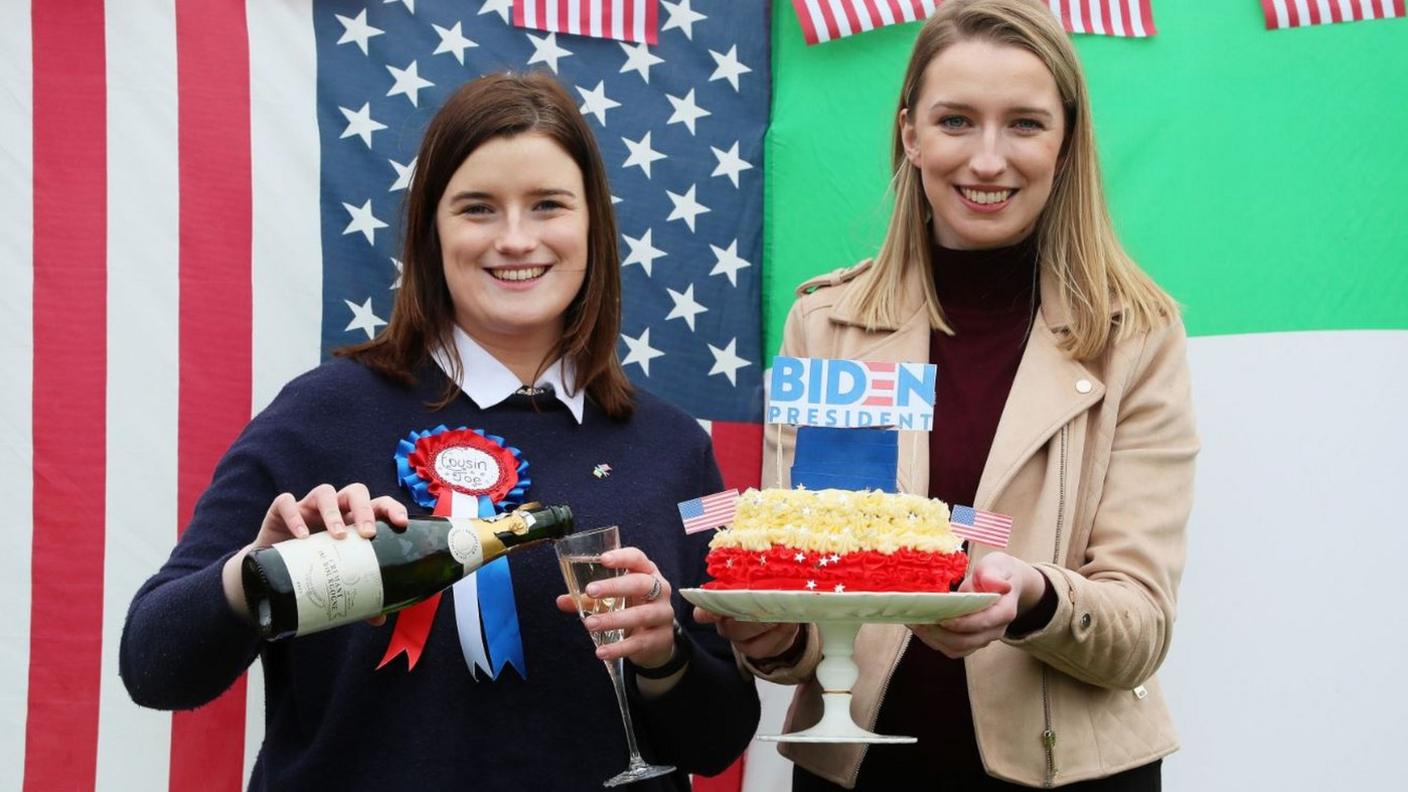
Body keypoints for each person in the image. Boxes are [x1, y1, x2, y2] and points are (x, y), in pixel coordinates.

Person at [120, 72, 759, 791]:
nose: (516, 239)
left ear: (592, 228)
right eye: (478, 208)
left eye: (548, 205)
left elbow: (722, 739)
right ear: (432, 229)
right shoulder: (317, 414)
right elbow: (151, 665)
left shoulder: (680, 450)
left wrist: (662, 656)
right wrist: (256, 570)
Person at [697, 0, 1198, 788]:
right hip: (857, 769)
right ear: (910, 135)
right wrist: (759, 628)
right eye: (957, 120)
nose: (988, 160)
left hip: (1074, 775)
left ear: (1066, 145)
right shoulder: (825, 324)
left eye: (1025, 124)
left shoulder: (1135, 336)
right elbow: (807, 604)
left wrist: (1033, 599)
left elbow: (1140, 626)